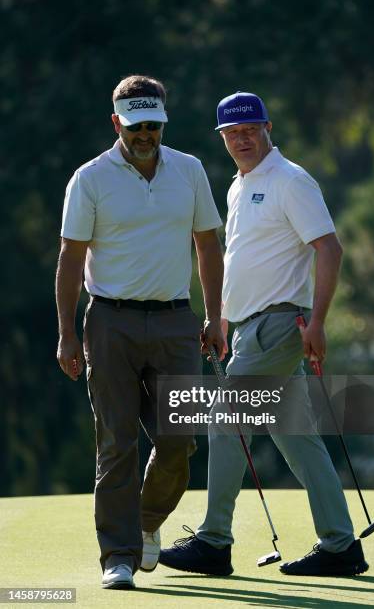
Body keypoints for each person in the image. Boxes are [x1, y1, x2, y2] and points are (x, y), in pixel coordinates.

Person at [159, 91, 369, 577]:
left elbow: (329, 249)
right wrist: (222, 320)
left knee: (226, 421)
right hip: (250, 329)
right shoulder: (238, 185)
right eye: (231, 133)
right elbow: (243, 263)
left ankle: (214, 541)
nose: (241, 139)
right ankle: (340, 544)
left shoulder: (290, 180)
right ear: (223, 138)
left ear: (267, 127)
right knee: (297, 437)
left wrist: (317, 322)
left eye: (249, 130)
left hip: (280, 325)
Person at [55, 74, 225, 590]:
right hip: (109, 321)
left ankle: (146, 523)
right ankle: (119, 556)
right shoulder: (90, 178)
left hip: (175, 321)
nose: (145, 134)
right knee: (117, 443)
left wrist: (215, 316)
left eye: (153, 125)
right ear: (116, 123)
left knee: (179, 443)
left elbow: (208, 246)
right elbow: (70, 258)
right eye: (135, 126)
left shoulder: (189, 171)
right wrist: (66, 331)